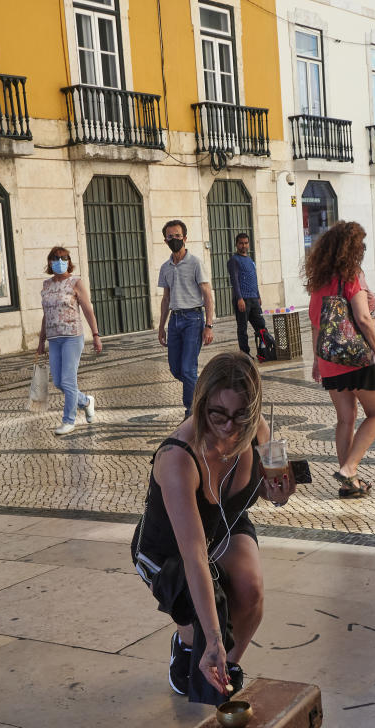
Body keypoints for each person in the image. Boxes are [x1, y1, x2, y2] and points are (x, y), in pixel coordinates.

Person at [131, 351, 293, 703]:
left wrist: (278, 492)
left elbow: (265, 488)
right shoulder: (177, 457)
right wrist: (214, 636)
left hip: (223, 528)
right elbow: (193, 556)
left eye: (240, 415)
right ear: (201, 402)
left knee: (249, 591)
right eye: (218, 413)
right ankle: (188, 647)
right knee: (207, 618)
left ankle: (224, 667)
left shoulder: (256, 429)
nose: (229, 426)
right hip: (169, 549)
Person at [306, 221, 375, 498]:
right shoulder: (352, 276)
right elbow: (364, 319)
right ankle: (350, 468)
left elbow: (316, 324)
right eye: (360, 244)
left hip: (330, 361)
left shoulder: (318, 282)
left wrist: (317, 361)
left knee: (345, 420)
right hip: (357, 359)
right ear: (351, 249)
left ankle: (348, 484)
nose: (363, 249)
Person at [36, 246, 102, 436]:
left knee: (68, 380)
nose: (60, 261)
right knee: (58, 382)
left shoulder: (76, 282)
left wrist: (96, 335)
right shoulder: (46, 285)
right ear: (50, 261)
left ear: (69, 261)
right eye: (56, 258)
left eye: (64, 258)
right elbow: (45, 315)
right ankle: (86, 401)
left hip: (72, 337)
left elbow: (88, 310)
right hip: (54, 338)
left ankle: (69, 420)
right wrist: (41, 340)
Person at [157, 220, 215, 415]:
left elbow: (207, 294)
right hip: (174, 320)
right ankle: (204, 393)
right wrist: (161, 327)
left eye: (178, 236)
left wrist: (209, 325)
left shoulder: (195, 263)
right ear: (165, 240)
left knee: (188, 368)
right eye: (170, 237)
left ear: (185, 238)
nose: (174, 240)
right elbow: (166, 299)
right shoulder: (165, 267)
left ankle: (192, 411)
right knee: (176, 369)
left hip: (193, 319)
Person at [228, 232, 268, 359]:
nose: (243, 245)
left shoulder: (250, 260)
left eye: (246, 243)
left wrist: (258, 295)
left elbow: (254, 279)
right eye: (241, 243)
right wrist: (239, 298)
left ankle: (264, 351)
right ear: (236, 245)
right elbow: (234, 280)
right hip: (242, 300)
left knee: (261, 326)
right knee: (243, 328)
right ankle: (245, 354)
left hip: (254, 299)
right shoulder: (234, 260)